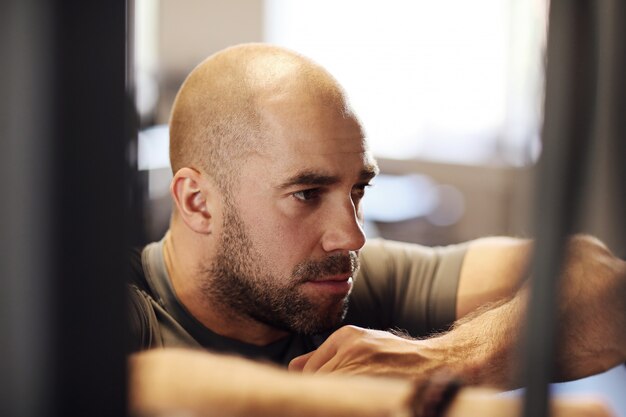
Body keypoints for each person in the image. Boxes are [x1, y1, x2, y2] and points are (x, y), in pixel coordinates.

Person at [128, 43, 626, 416]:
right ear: (198, 202)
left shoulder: (344, 284)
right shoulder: (127, 308)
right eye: (306, 194)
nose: (352, 236)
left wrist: (441, 363)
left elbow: (606, 287)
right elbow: (139, 382)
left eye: (358, 191)